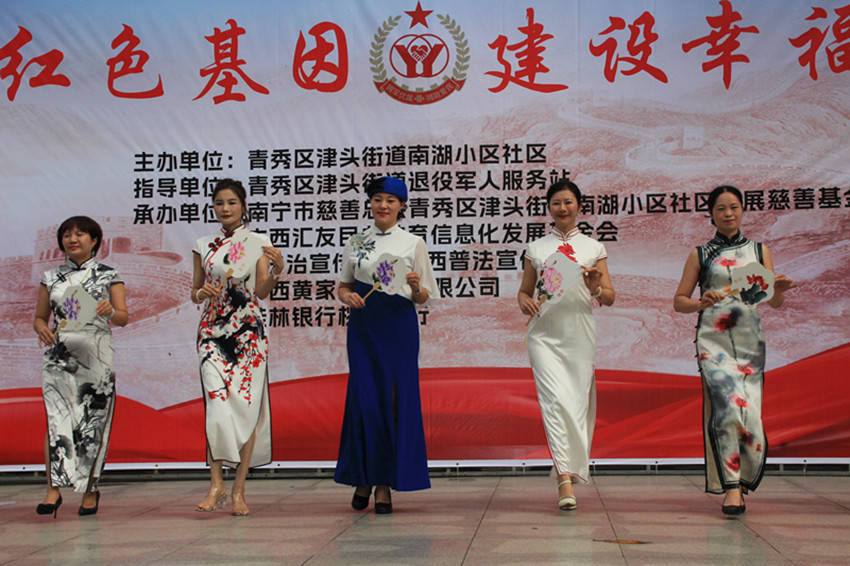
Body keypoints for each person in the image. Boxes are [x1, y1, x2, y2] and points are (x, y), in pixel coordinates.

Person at [674, 185, 794, 516]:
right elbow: (679, 301)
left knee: (750, 415)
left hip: (749, 343)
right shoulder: (700, 254)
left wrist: (779, 289)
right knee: (726, 410)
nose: (728, 213)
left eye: (734, 207)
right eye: (721, 208)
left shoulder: (758, 251)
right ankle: (731, 488)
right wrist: (700, 302)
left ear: (742, 210)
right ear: (711, 214)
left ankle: (743, 478)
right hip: (713, 344)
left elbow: (773, 301)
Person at [335, 176, 439, 514]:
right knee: (365, 400)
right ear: (370, 203)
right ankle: (363, 477)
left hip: (398, 328)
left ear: (402, 206)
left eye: (391, 200)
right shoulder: (357, 242)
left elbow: (423, 296)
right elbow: (343, 286)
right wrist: (348, 297)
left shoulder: (413, 243)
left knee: (394, 401)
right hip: (364, 326)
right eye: (378, 199)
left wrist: (415, 286)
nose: (383, 205)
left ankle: (382, 485)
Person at [517, 179, 615, 510]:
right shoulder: (536, 248)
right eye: (557, 202)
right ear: (549, 208)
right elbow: (524, 291)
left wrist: (595, 286)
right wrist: (524, 302)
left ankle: (569, 467)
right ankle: (564, 479)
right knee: (554, 403)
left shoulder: (593, 248)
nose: (563, 208)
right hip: (544, 336)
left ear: (579, 206)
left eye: (568, 202)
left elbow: (609, 297)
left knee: (576, 404)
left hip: (579, 335)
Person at [191, 178, 283, 516]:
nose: (225, 208)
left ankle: (239, 490)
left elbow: (261, 291)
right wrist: (202, 293)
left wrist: (277, 271)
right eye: (219, 203)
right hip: (212, 332)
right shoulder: (203, 245)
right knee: (216, 407)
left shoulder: (258, 242)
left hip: (248, 334)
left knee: (245, 411)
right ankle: (216, 484)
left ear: (243, 206)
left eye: (231, 202)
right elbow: (195, 291)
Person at [34, 216, 128, 517]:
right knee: (57, 422)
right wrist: (41, 328)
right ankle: (53, 490)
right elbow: (40, 317)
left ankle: (89, 490)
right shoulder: (51, 277)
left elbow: (123, 317)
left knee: (91, 424)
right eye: (67, 235)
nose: (72, 239)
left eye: (80, 234)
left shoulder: (108, 275)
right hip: (59, 359)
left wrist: (110, 311)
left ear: (94, 240)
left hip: (96, 361)